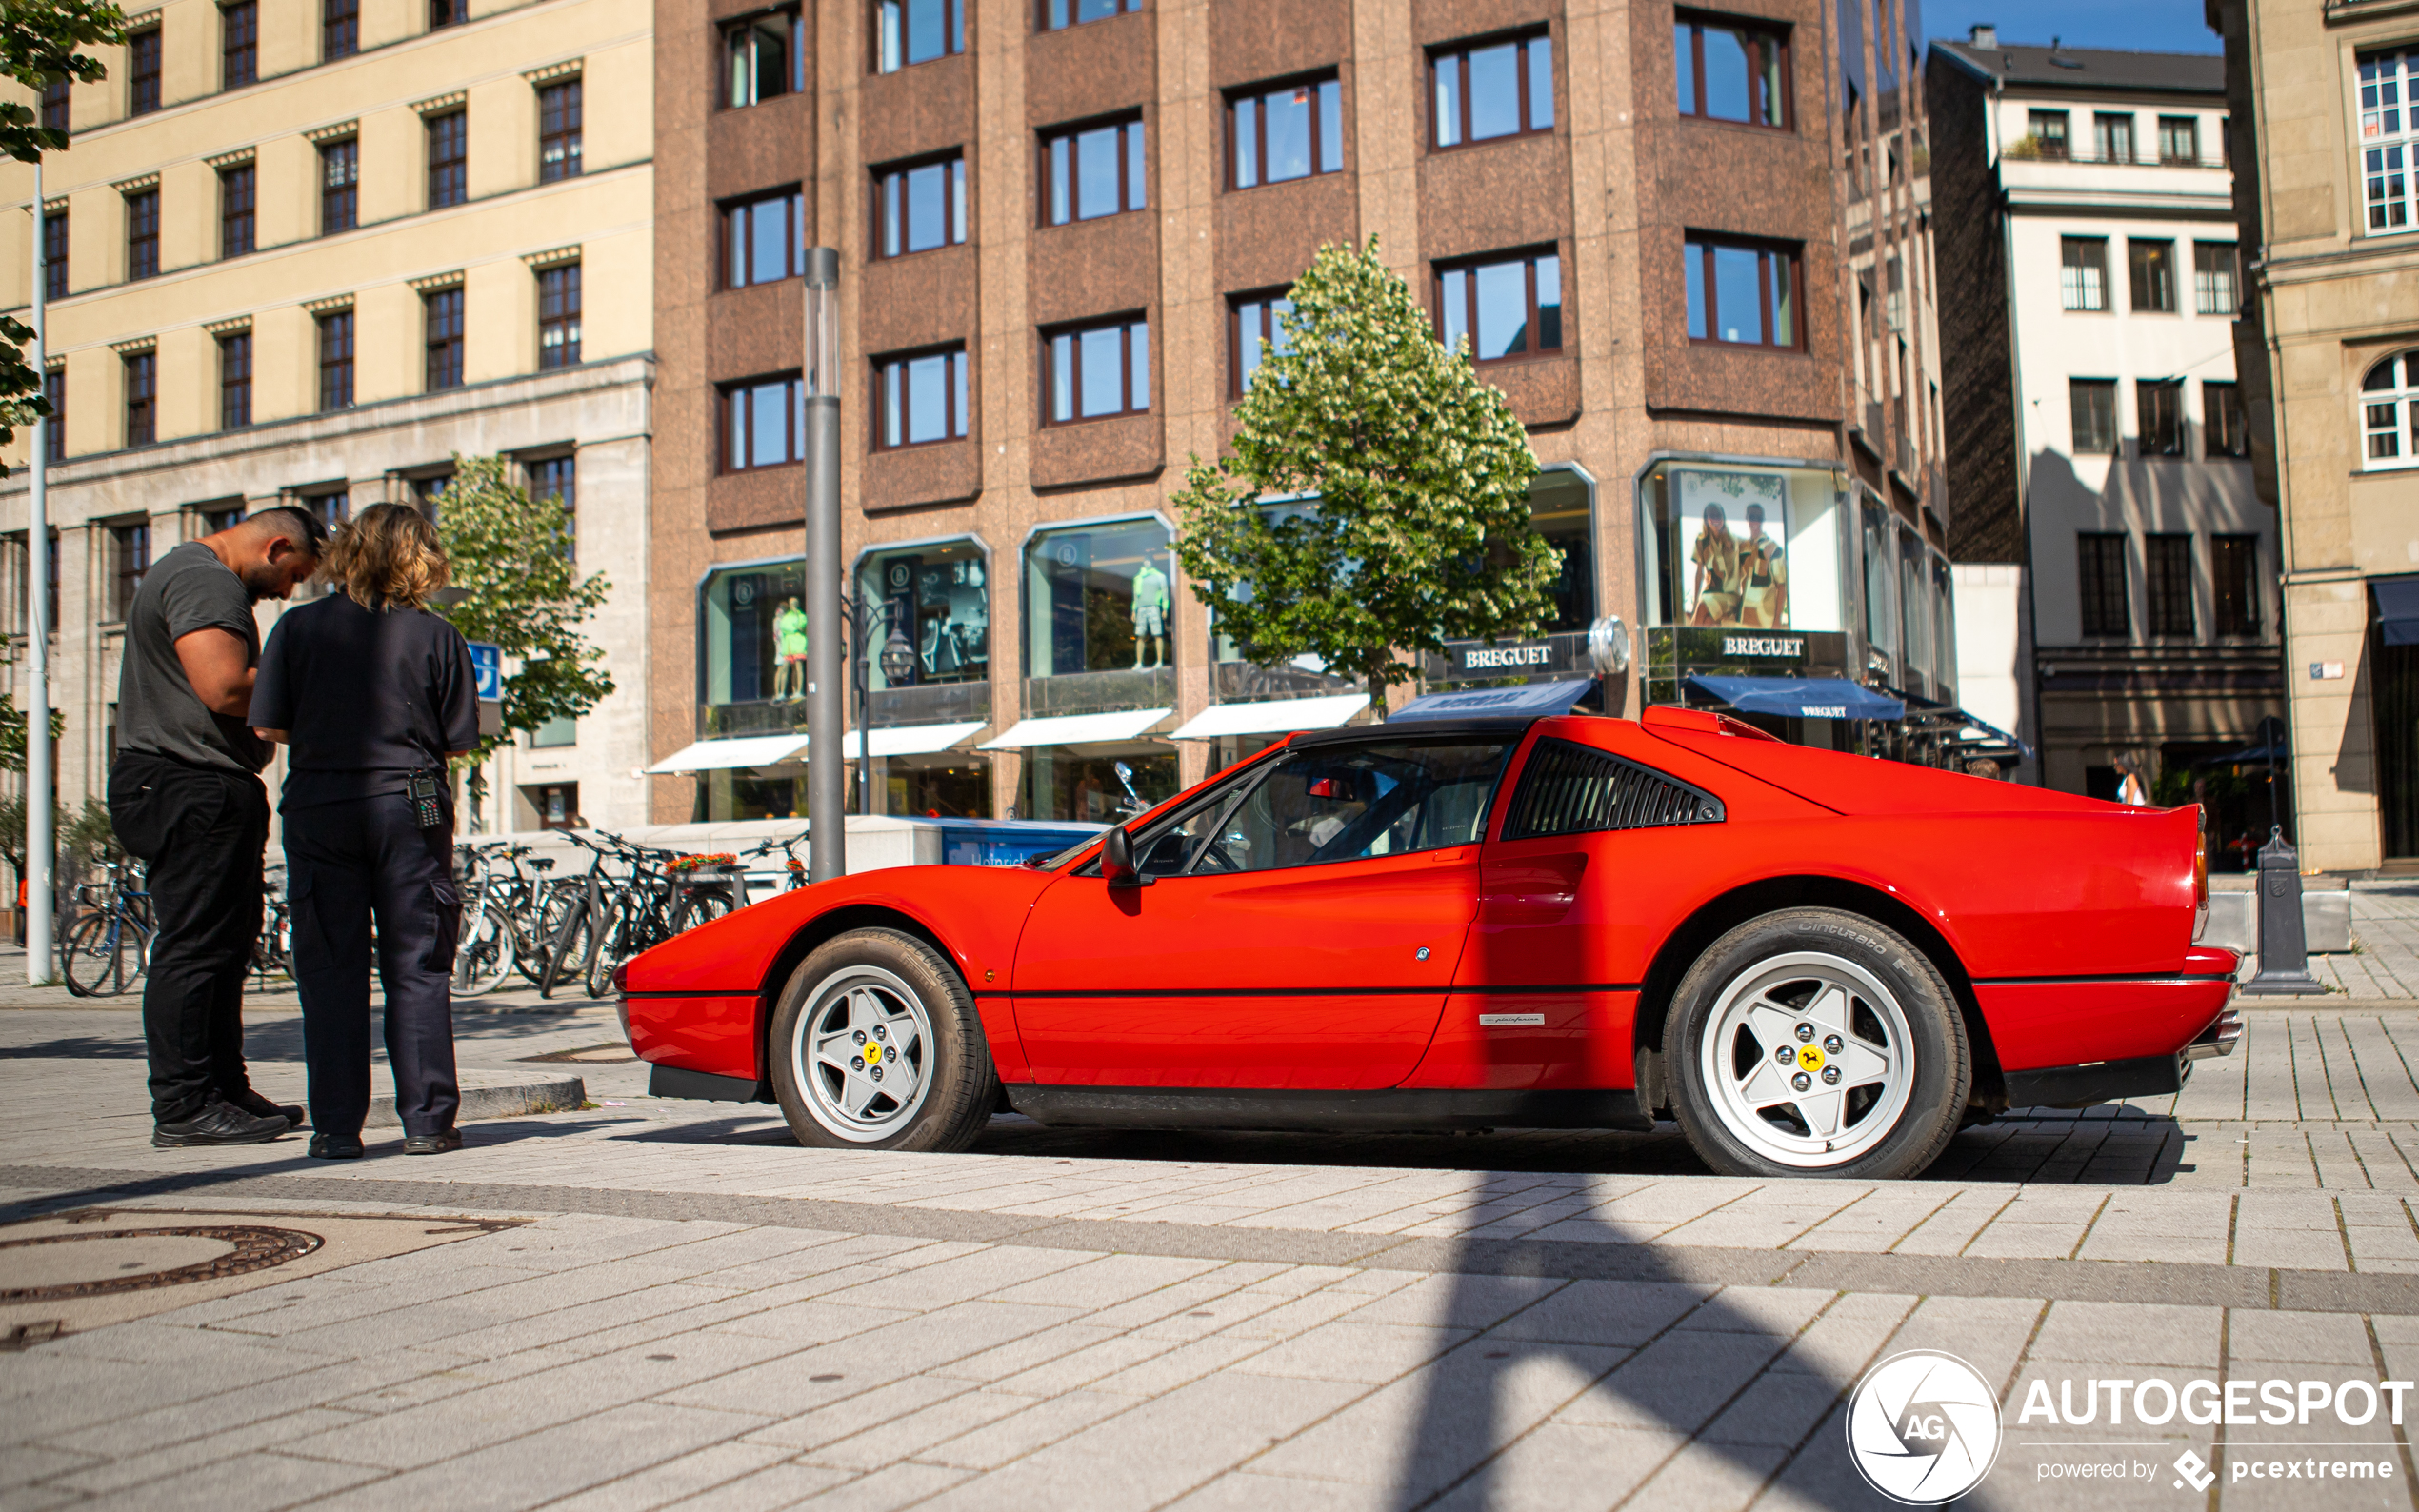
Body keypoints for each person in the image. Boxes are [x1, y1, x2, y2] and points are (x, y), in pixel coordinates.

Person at [249, 504, 479, 1159]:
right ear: (420, 558)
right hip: (411, 806)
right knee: (418, 964)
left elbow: (267, 727)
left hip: (321, 805)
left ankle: (336, 1130)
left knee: (329, 969)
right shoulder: (437, 636)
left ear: (347, 551)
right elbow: (457, 740)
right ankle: (427, 1122)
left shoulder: (295, 628)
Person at [109, 507, 327, 1148]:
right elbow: (226, 687)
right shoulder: (207, 581)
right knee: (197, 944)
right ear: (277, 545)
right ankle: (183, 1107)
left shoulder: (195, 575)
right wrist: (323, 684)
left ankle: (223, 1090)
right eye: (293, 576)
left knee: (227, 944)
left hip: (196, 782)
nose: (288, 592)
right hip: (188, 783)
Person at [1688, 504, 1741, 627]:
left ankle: (1689, 640)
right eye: (1712, 516)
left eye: (1719, 515)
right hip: (1710, 594)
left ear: (1723, 518)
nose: (1716, 519)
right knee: (1707, 621)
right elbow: (1699, 573)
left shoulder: (1734, 541)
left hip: (1729, 595)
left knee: (1702, 607)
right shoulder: (1702, 541)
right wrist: (1694, 603)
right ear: (1706, 519)